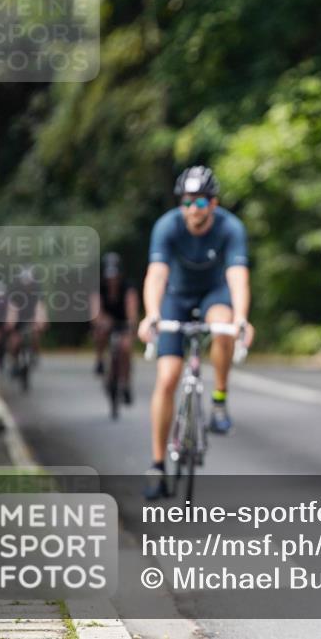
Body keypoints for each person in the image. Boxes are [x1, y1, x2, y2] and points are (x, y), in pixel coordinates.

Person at [137, 166, 255, 500]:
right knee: (167, 378)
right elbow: (156, 276)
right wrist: (152, 315)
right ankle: (157, 465)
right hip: (176, 297)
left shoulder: (230, 228)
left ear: (213, 204)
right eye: (187, 202)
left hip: (213, 293)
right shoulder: (167, 226)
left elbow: (237, 277)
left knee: (224, 327)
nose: (193, 210)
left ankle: (219, 401)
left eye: (200, 203)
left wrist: (242, 319)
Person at [90, 252, 140, 403]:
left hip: (123, 322)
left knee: (125, 348)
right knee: (99, 333)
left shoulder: (128, 286)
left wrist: (131, 324)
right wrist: (100, 320)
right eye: (109, 276)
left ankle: (125, 384)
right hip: (106, 322)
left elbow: (132, 308)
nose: (112, 280)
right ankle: (99, 360)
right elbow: (95, 310)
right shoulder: (98, 287)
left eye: (115, 276)